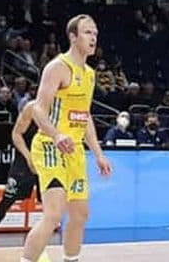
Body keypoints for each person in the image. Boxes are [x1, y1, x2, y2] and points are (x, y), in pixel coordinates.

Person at [21, 15, 112, 262]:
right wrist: (57, 134)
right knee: (53, 215)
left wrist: (99, 154)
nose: (93, 38)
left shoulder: (90, 74)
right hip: (50, 146)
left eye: (95, 33)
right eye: (87, 32)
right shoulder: (57, 67)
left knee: (80, 214)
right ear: (73, 37)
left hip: (75, 151)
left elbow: (85, 116)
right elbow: (38, 110)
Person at [0, 101, 49, 262]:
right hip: (25, 159)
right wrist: (29, 157)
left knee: (49, 207)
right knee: (7, 200)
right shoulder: (32, 107)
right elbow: (16, 134)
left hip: (47, 160)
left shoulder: (61, 108)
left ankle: (39, 247)